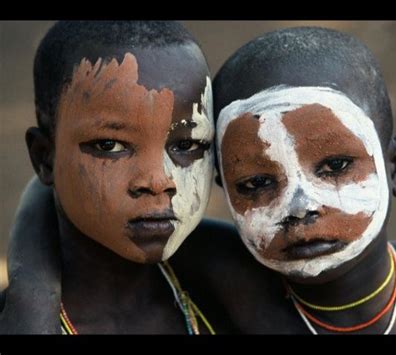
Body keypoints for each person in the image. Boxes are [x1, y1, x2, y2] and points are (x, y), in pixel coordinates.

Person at [211, 26, 396, 334]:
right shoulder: (211, 289)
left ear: (395, 167)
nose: (300, 208)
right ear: (226, 192)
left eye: (335, 166)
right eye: (257, 183)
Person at [0, 20, 239, 334]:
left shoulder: (239, 303)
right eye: (109, 146)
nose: (156, 181)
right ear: (45, 158)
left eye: (186, 145)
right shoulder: (18, 322)